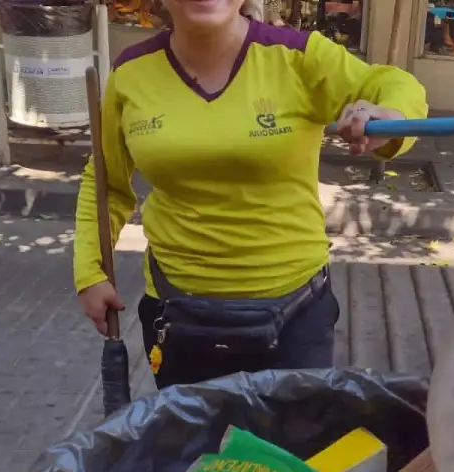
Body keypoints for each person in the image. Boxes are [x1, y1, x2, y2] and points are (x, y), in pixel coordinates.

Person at [73, 0, 428, 397]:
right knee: (193, 454)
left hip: (295, 318)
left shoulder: (299, 57)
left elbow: (396, 83)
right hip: (177, 316)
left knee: (288, 456)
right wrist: (90, 272)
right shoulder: (130, 72)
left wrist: (389, 118)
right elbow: (105, 181)